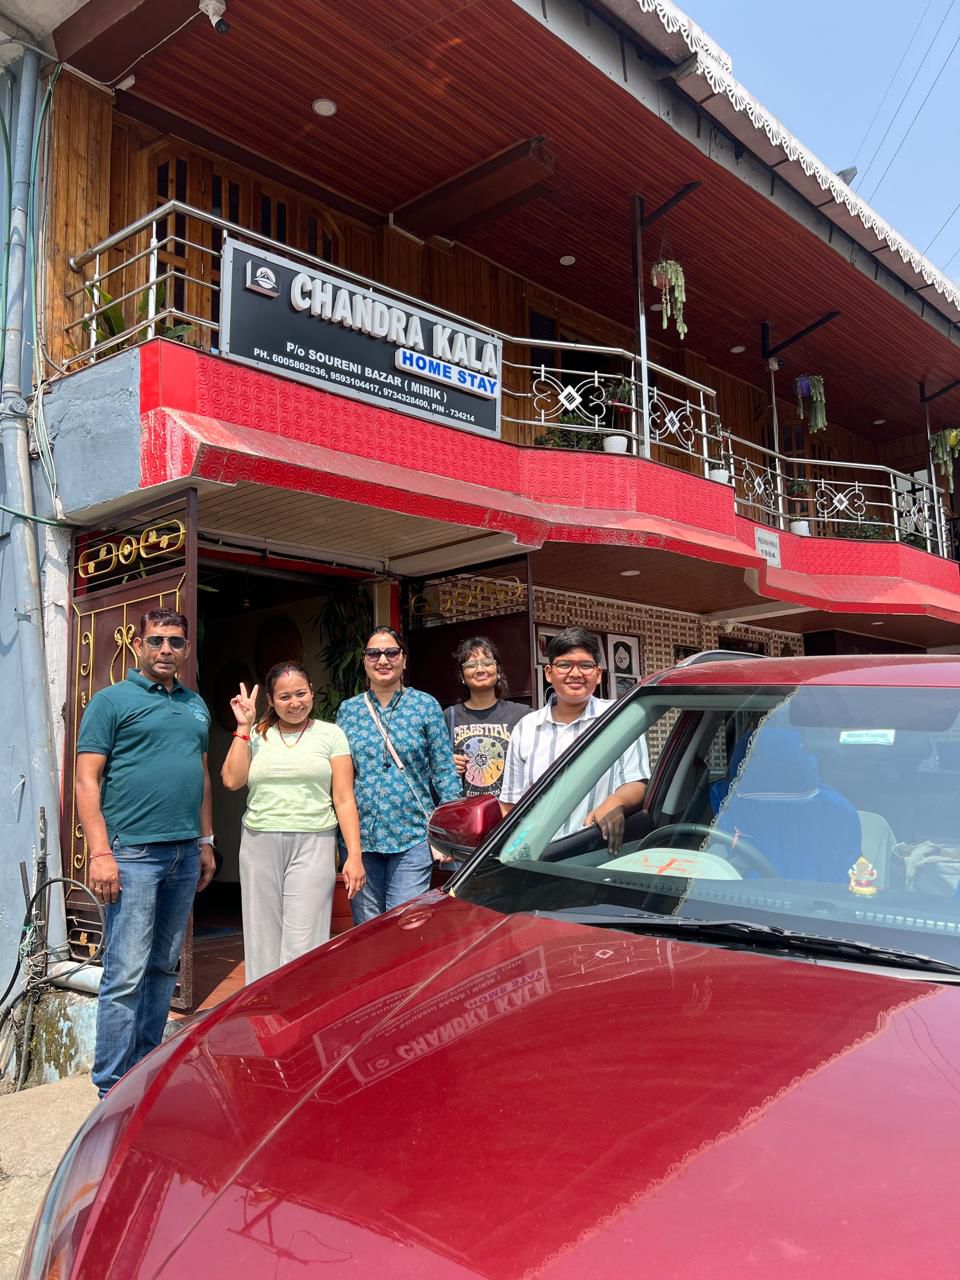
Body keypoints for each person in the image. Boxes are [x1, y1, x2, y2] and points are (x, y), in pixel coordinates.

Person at [75, 608, 217, 1098]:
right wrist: (99, 852)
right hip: (132, 854)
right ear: (138, 644)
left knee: (162, 968)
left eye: (175, 642)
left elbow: (200, 776)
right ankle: (111, 1086)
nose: (165, 651)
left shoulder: (196, 705)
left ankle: (144, 1068)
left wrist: (205, 842)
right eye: (156, 641)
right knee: (126, 972)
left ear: (186, 649)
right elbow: (86, 779)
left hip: (182, 853)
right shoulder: (111, 701)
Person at [221, 661, 365, 983]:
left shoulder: (331, 735)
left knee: (306, 941)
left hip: (314, 841)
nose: (295, 703)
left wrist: (354, 854)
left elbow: (343, 797)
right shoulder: (257, 735)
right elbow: (231, 780)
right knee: (261, 939)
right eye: (284, 697)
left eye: (301, 693)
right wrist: (244, 727)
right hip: (260, 842)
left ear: (312, 692)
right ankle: (263, 1018)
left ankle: (298, 1017)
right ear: (270, 701)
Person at [336, 626, 461, 923]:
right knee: (366, 927)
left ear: (404, 660)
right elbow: (339, 779)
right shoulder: (348, 711)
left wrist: (448, 832)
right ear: (365, 661)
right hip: (361, 838)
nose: (383, 659)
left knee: (404, 921)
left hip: (413, 834)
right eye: (374, 653)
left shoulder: (425, 706)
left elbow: (444, 772)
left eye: (391, 652)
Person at [499, 626, 649, 853]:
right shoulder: (526, 728)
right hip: (538, 856)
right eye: (565, 665)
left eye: (585, 665)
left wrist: (615, 802)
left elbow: (637, 782)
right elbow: (510, 803)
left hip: (595, 854)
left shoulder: (619, 718)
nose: (576, 674)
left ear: (598, 674)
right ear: (549, 672)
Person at [444, 635, 529, 798]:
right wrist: (448, 766)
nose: (480, 669)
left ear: (498, 671)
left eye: (487, 663)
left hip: (510, 814)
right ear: (462, 676)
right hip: (465, 814)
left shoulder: (522, 715)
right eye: (471, 665)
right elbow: (433, 766)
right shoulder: (449, 716)